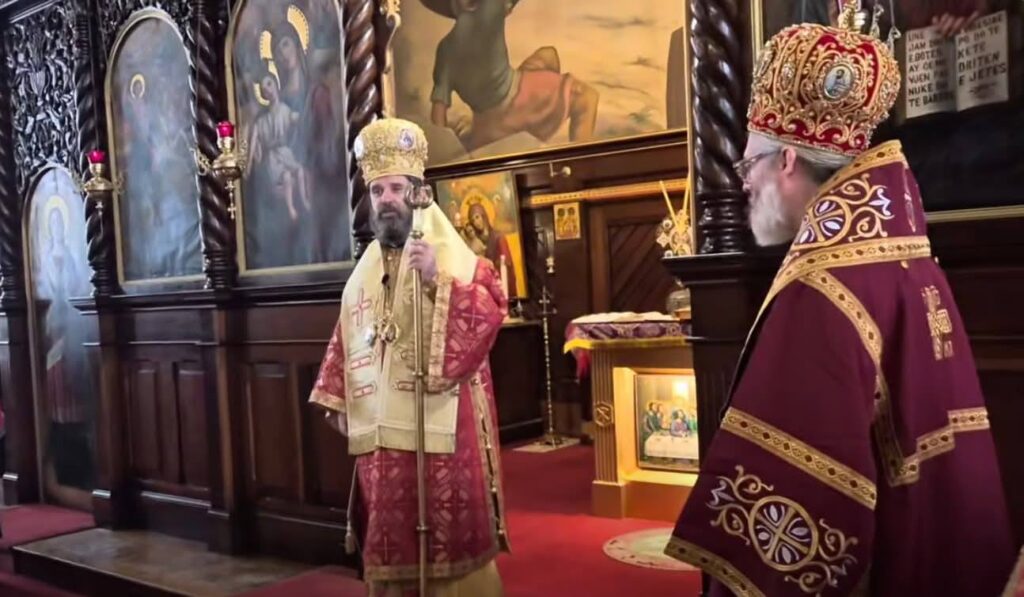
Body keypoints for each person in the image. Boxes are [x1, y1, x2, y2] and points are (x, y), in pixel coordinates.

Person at [665, 6, 1016, 596]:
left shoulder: (823, 285)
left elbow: (794, 507)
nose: (742, 182)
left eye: (749, 162)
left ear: (787, 160)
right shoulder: (903, 255)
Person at [309, 118, 509, 596]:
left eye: (396, 188)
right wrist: (337, 398)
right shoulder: (365, 272)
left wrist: (439, 280)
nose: (386, 200)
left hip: (444, 429)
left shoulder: (457, 257)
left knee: (445, 537)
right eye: (377, 192)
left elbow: (491, 311)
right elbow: (349, 334)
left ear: (419, 193)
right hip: (383, 434)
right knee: (391, 534)